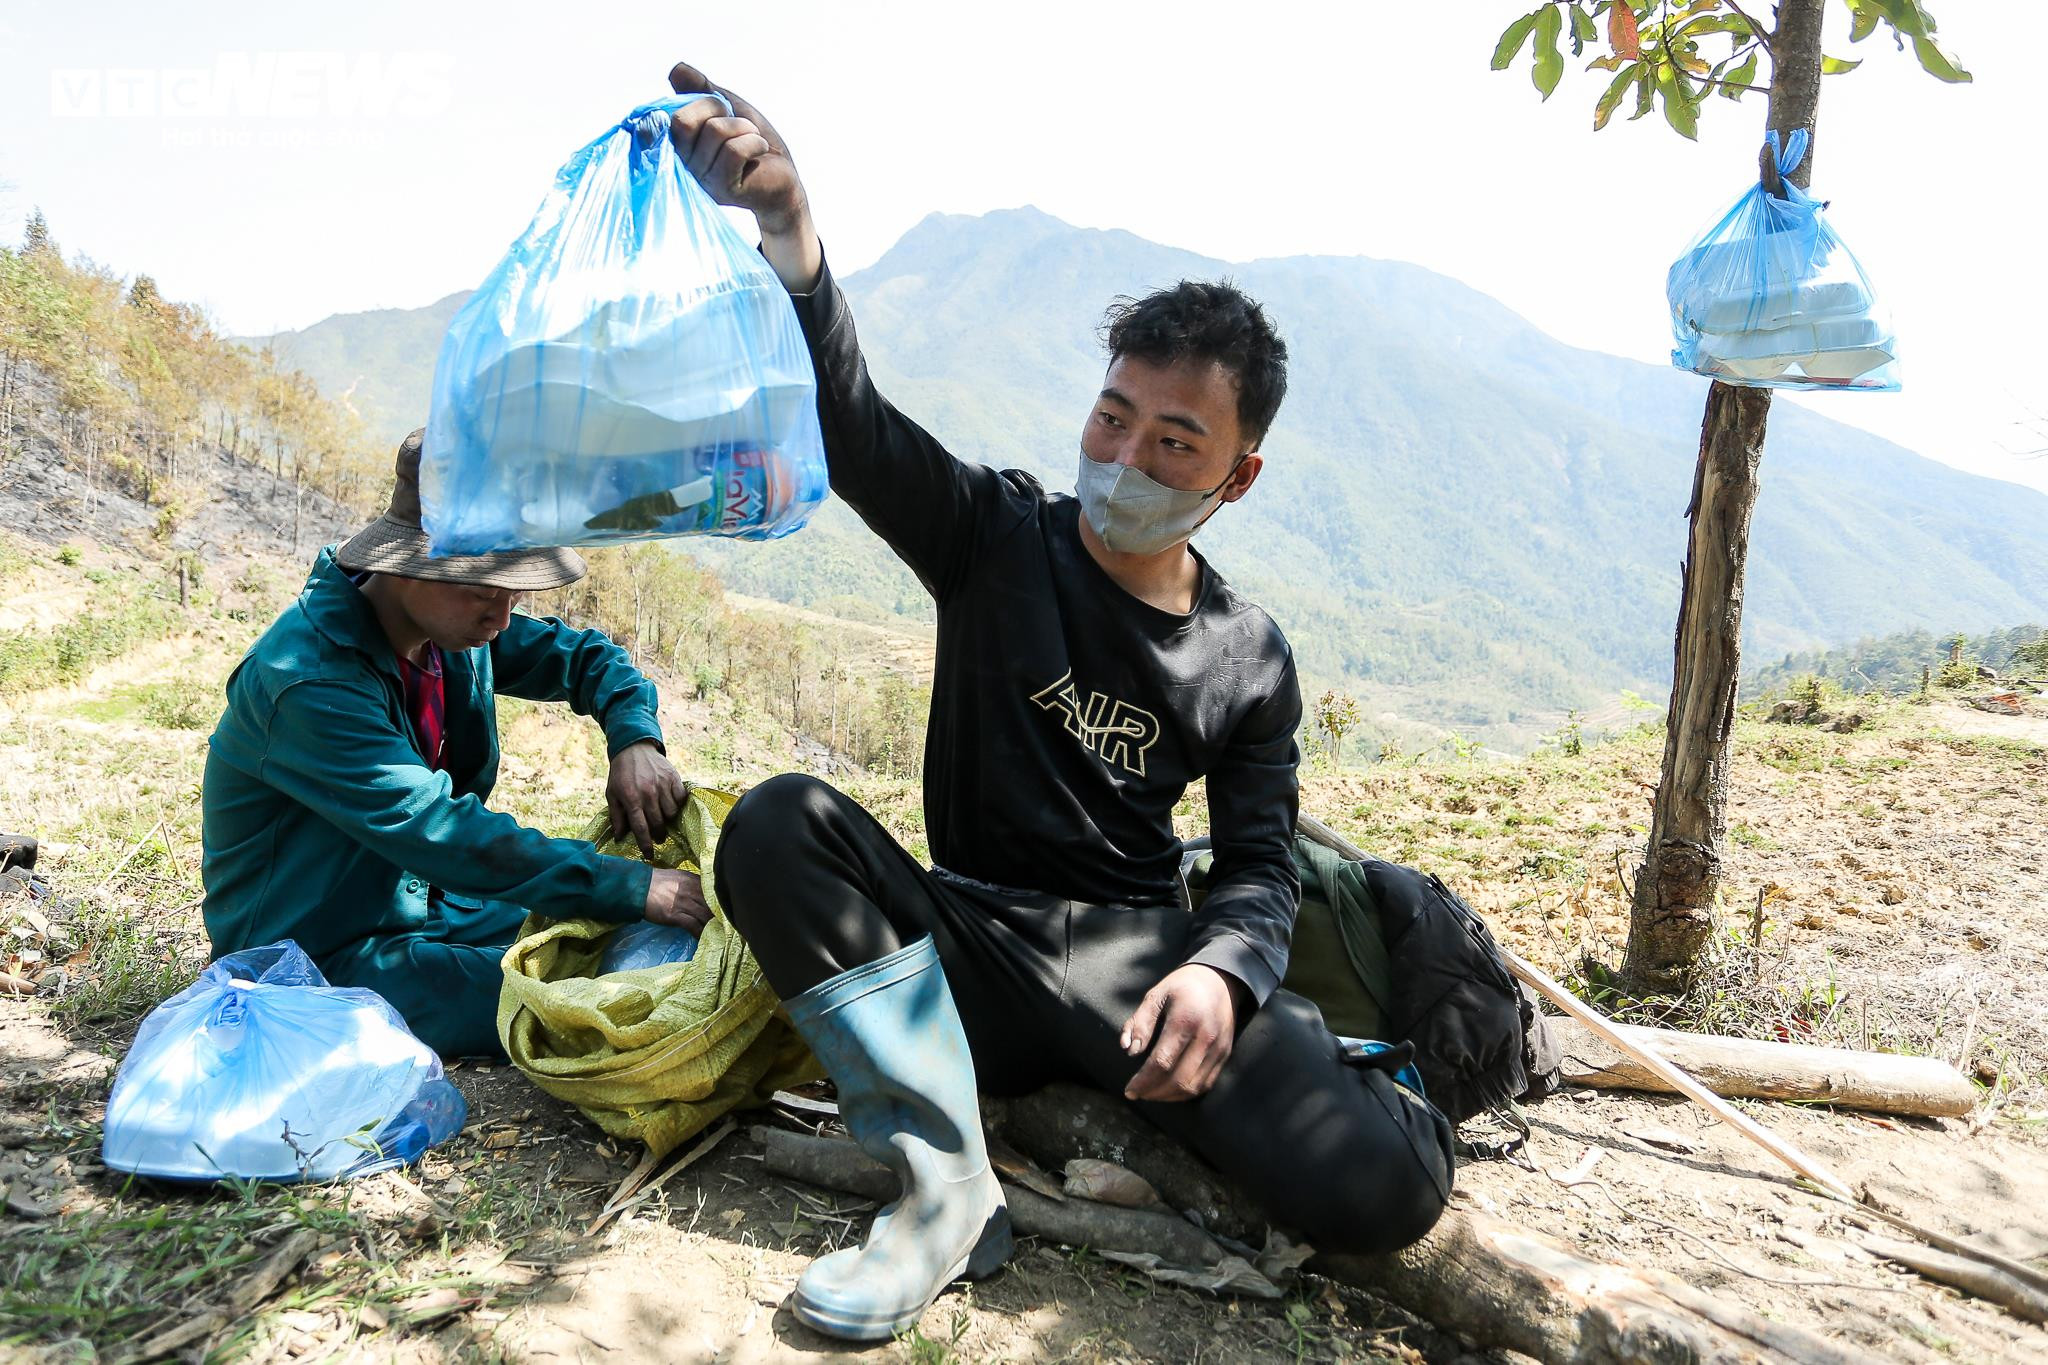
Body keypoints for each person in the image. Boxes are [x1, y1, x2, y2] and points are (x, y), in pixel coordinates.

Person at [661, 63, 1456, 1341]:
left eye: (1172, 443)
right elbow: (855, 428)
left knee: (1385, 1185)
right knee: (773, 826)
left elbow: (1257, 867)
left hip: (1128, 974)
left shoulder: (1246, 654)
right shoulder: (993, 533)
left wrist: (1222, 977)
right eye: (1111, 416)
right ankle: (942, 1183)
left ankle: (1365, 1074)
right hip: (958, 945)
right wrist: (789, 227)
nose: (1124, 458)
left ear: (1234, 476)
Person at [200, 430, 709, 1058]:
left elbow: (587, 659)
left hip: (428, 904)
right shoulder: (305, 682)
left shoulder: (447, 633)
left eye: (513, 591)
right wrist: (631, 885)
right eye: (484, 590)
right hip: (314, 954)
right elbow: (439, 831)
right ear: (410, 567)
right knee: (588, 1004)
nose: (502, 616)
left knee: (598, 937)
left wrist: (636, 739)